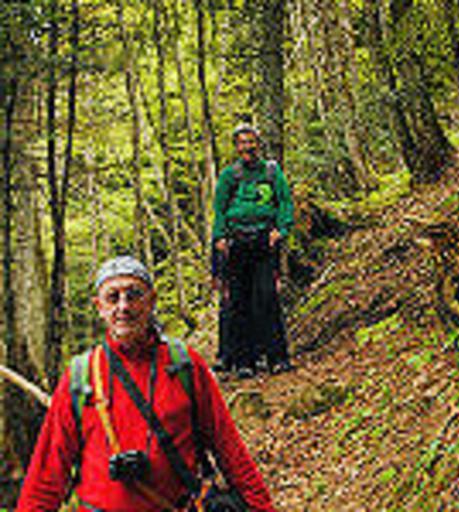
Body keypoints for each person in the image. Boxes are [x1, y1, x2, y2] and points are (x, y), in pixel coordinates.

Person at [16, 256, 277, 511]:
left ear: (151, 300)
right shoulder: (80, 376)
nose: (123, 306)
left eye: (134, 295)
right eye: (113, 297)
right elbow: (45, 476)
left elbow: (230, 450)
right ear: (99, 306)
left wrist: (262, 506)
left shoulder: (184, 365)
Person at [212, 124, 294, 379]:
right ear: (236, 147)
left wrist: (282, 229)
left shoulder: (271, 172)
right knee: (238, 301)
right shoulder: (229, 175)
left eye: (251, 141)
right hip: (236, 242)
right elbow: (219, 208)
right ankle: (243, 362)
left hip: (264, 241)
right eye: (242, 142)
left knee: (267, 298)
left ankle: (277, 357)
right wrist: (220, 237)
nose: (247, 147)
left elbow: (284, 201)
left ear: (259, 144)